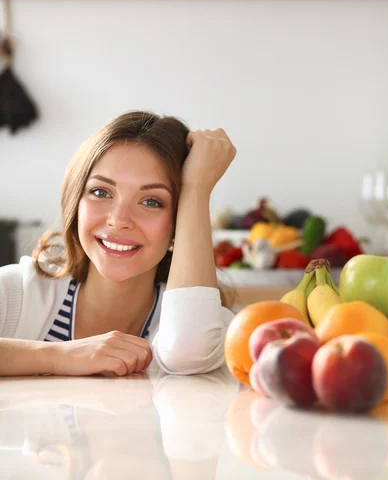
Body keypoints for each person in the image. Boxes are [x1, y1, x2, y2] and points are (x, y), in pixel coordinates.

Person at [0, 111, 237, 377]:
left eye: (151, 201)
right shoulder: (16, 293)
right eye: (101, 192)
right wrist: (60, 357)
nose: (119, 220)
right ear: (76, 202)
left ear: (179, 225)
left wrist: (197, 187)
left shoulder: (207, 325)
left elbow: (189, 353)